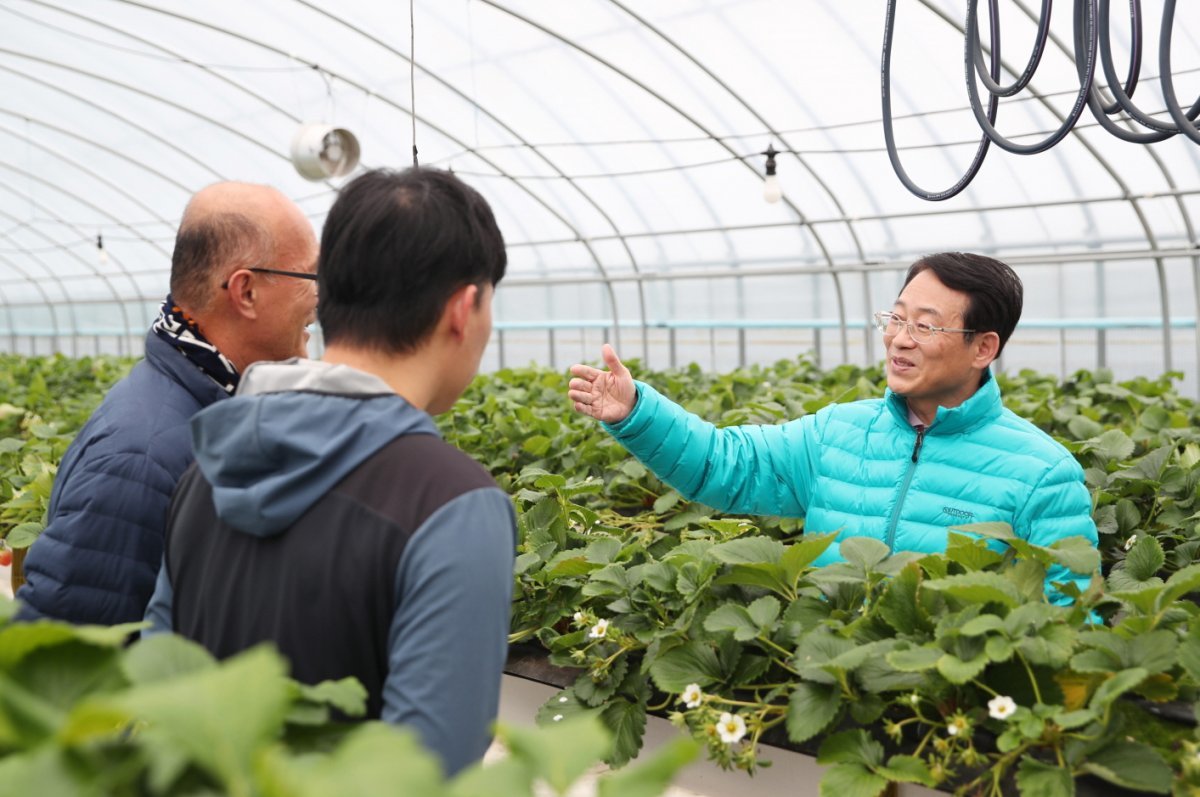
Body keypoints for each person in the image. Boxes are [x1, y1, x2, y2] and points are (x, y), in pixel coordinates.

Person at [143, 167, 515, 776]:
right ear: (463, 308)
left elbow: (159, 695)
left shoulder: (208, 466)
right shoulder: (453, 503)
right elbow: (427, 773)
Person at [568, 252, 1097, 601]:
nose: (899, 339)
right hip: (832, 680)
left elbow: (1069, 613)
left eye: (925, 325)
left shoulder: (1042, 473)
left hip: (946, 714)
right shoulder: (837, 433)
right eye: (896, 318)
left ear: (984, 347)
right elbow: (726, 465)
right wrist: (637, 412)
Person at [17, 182, 319, 625]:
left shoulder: (204, 408)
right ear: (246, 292)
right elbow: (72, 650)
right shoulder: (143, 459)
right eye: (310, 277)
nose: (319, 298)